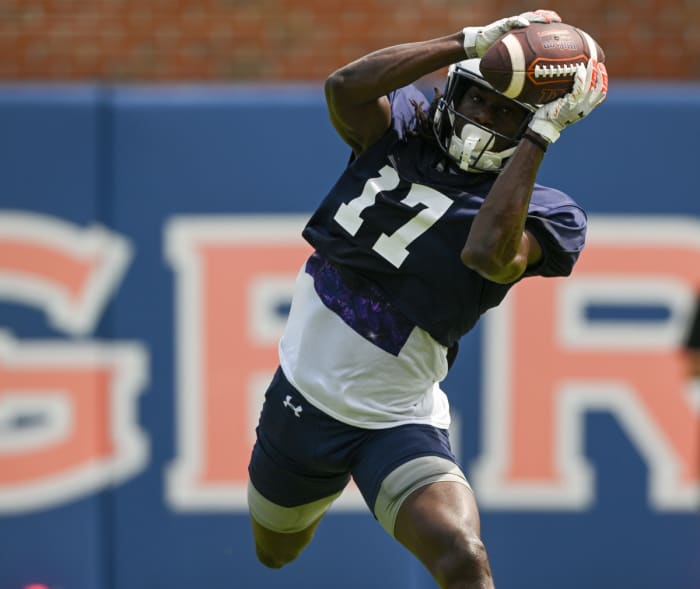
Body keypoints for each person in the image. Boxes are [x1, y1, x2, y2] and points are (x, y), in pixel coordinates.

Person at [246, 9, 608, 588]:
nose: (480, 118)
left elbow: (489, 254)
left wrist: (541, 134)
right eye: (473, 99)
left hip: (396, 422)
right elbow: (343, 88)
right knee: (275, 551)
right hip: (303, 402)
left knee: (463, 557)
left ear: (532, 129)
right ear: (452, 89)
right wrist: (464, 42)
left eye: (504, 113)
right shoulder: (405, 126)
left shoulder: (545, 211)